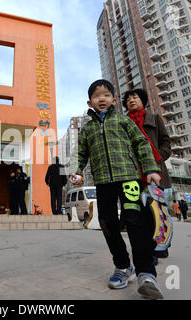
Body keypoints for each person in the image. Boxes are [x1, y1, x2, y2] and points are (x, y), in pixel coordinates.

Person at [69, 79, 163, 300]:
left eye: (106, 94)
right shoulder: (87, 129)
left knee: (135, 222)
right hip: (103, 182)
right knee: (108, 224)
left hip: (129, 179)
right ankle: (123, 266)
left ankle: (146, 273)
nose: (101, 98)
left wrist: (150, 168)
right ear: (89, 101)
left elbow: (142, 143)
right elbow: (80, 153)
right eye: (96, 95)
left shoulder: (123, 121)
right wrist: (77, 170)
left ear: (112, 99)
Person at [123, 88, 173, 260]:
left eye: (135, 97)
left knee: (157, 211)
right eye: (128, 99)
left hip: (155, 171)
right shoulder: (124, 122)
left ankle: (160, 245)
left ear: (142, 100)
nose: (131, 100)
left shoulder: (154, 118)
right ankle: (148, 250)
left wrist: (158, 157)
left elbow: (166, 142)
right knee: (140, 214)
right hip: (133, 174)